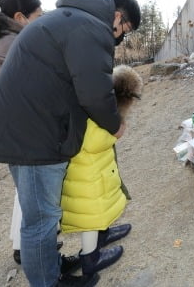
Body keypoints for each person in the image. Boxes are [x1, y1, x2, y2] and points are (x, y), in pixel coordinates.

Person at [0, 0, 141, 287]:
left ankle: (51, 266)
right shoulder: (90, 27)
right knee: (40, 220)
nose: (120, 37)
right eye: (125, 29)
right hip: (32, 134)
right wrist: (115, 124)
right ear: (118, 16)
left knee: (43, 215)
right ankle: (48, 282)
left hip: (31, 127)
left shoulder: (69, 19)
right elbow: (95, 91)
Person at [0, 0, 64, 267]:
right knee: (36, 204)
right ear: (20, 17)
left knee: (26, 196)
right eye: (37, 16)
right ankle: (36, 257)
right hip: (27, 130)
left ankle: (23, 247)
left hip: (11, 129)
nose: (40, 21)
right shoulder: (17, 42)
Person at [60, 65, 142, 279]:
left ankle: (102, 234)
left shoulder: (97, 102)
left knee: (100, 209)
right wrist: (115, 133)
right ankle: (90, 258)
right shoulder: (97, 111)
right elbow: (93, 140)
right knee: (91, 216)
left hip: (92, 171)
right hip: (86, 175)